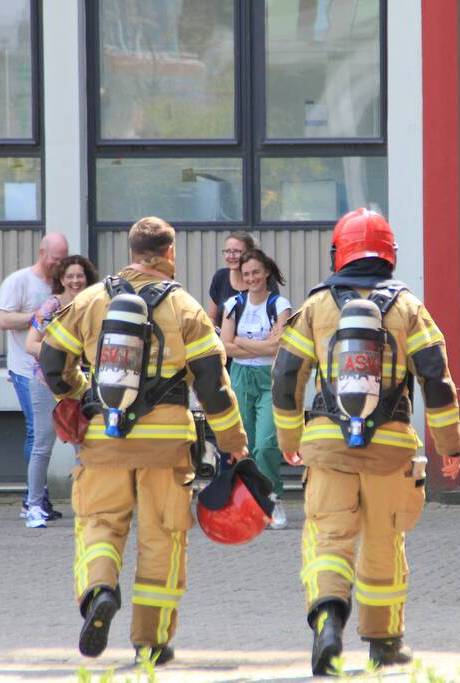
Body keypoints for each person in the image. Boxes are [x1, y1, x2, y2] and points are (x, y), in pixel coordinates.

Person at [39, 216, 249, 667]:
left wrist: (79, 393)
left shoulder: (92, 299)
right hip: (168, 445)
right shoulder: (186, 307)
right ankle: (150, 642)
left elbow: (52, 361)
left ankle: (100, 590)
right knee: (162, 539)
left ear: (132, 251)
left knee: (98, 524)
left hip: (105, 438)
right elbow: (213, 384)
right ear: (169, 254)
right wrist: (233, 441)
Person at [271, 208, 460, 676]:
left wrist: (290, 438)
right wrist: (449, 447)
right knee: (383, 543)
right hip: (390, 448)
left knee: (328, 539)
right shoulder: (408, 308)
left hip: (327, 446)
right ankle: (384, 643)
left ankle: (329, 622)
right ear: (389, 253)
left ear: (339, 252)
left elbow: (285, 379)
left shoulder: (316, 306)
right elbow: (437, 381)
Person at [22, 255, 99, 528]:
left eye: (80, 276)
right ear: (61, 279)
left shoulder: (93, 306)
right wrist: (61, 355)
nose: (76, 281)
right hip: (46, 384)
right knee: (43, 445)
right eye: (70, 276)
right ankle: (33, 506)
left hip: (79, 386)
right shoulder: (51, 306)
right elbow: (31, 344)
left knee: (85, 447)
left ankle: (86, 505)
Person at [0, 232, 69, 519]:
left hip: (55, 370)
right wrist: (40, 315)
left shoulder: (60, 284)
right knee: (36, 432)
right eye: (55, 259)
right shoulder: (19, 281)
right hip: (26, 369)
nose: (59, 264)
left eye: (63, 258)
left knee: (53, 432)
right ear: (42, 253)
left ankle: (38, 497)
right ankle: (34, 498)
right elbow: (4, 320)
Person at [220, 249, 292, 530]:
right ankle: (250, 503)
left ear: (267, 273)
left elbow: (277, 347)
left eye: (256, 272)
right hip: (239, 377)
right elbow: (224, 346)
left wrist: (239, 339)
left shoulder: (279, 304)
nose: (251, 278)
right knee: (243, 445)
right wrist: (257, 344)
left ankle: (273, 497)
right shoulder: (234, 304)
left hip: (268, 378)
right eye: (247, 273)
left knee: (265, 444)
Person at [205, 231, 279, 327]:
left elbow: (275, 319)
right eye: (227, 251)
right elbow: (212, 317)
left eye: (237, 251)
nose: (231, 256)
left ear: (249, 253)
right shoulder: (220, 277)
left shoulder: (263, 280)